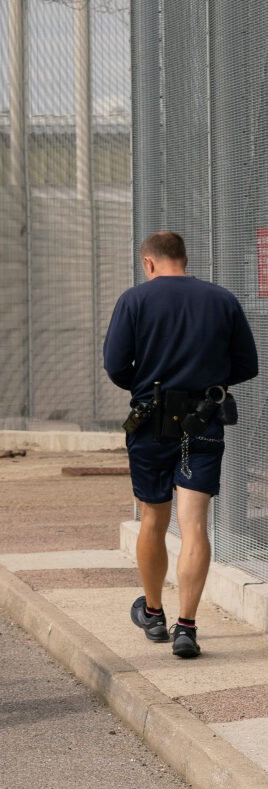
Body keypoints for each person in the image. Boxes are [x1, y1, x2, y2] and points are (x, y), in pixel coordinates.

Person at [104, 230, 259, 659]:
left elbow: (116, 366)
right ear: (184, 259)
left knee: (154, 520)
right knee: (194, 525)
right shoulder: (221, 299)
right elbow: (247, 364)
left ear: (149, 263)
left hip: (151, 424)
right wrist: (206, 378)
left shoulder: (134, 301)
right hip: (203, 424)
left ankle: (153, 613)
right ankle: (187, 627)